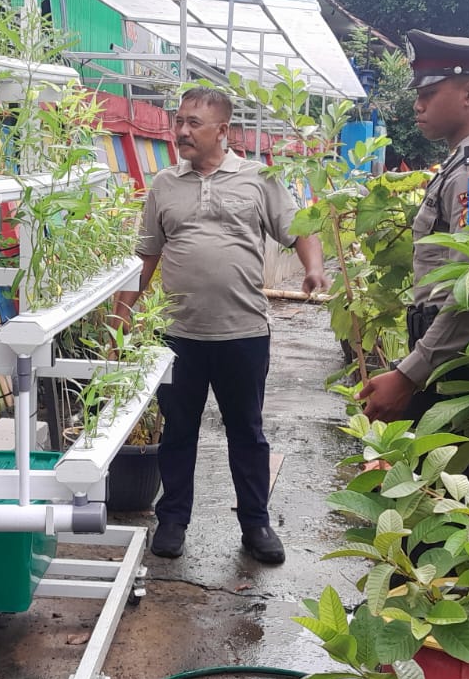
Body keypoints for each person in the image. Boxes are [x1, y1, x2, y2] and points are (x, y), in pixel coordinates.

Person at [315, 30, 469, 679]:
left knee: (434, 532)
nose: (417, 104)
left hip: (452, 378)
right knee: (437, 528)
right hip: (447, 369)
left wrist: (408, 377)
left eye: (429, 92)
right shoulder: (464, 169)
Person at [114, 86, 329, 565]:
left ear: (223, 130)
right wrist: (121, 315)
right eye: (179, 121)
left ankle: (256, 525)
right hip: (178, 335)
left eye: (194, 123)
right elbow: (146, 256)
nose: (182, 131)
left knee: (247, 433)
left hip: (243, 332)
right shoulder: (164, 185)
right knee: (178, 431)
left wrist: (314, 268)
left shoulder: (257, 179)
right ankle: (172, 521)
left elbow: (299, 229)